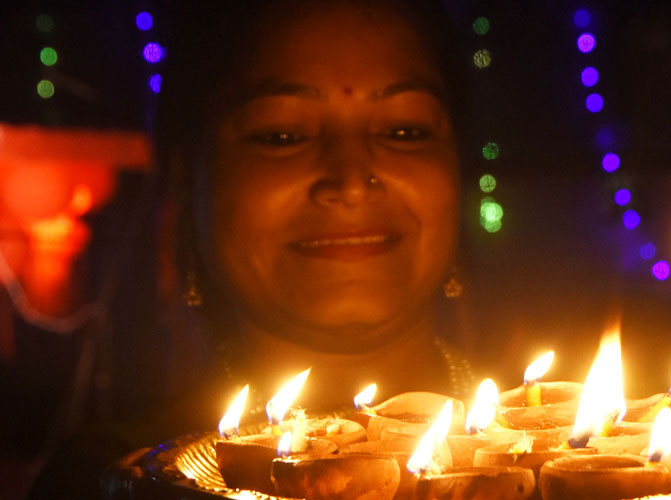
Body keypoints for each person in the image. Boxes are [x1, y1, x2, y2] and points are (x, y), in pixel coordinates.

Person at [28, 1, 478, 498]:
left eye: (404, 131)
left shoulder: (543, 450)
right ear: (186, 174)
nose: (351, 181)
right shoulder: (119, 480)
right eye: (282, 135)